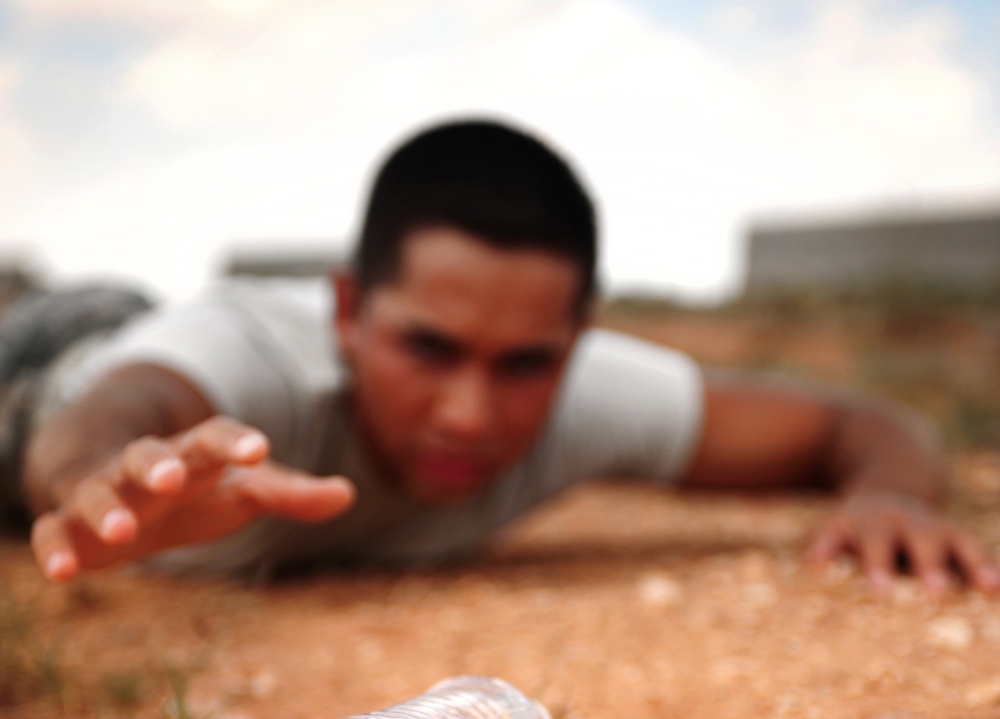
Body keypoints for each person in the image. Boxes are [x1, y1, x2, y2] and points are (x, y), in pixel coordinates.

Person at [11, 119, 998, 592]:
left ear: (573, 339)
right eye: (425, 348)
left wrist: (893, 496)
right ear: (346, 308)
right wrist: (97, 475)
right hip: (57, 356)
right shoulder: (247, 362)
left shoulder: (585, 393)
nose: (468, 414)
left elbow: (861, 423)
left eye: (525, 363)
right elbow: (113, 412)